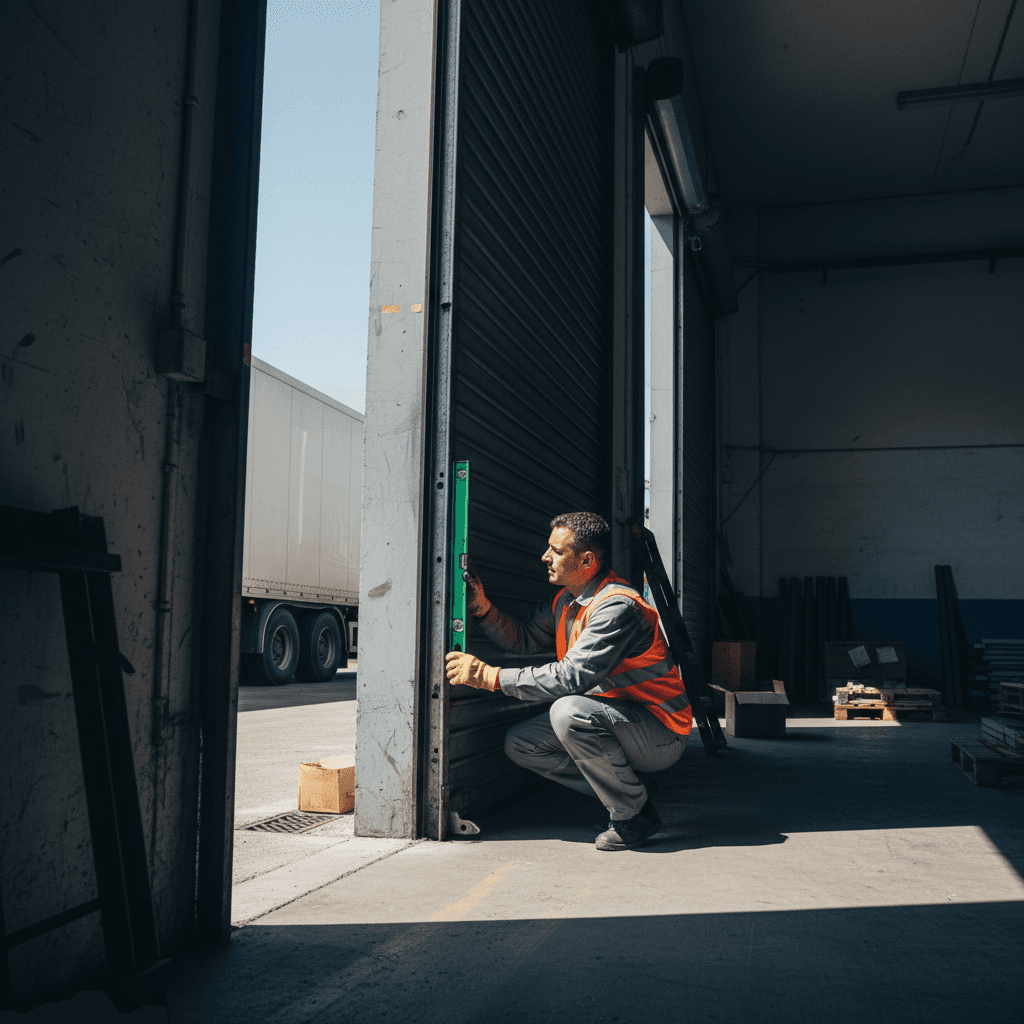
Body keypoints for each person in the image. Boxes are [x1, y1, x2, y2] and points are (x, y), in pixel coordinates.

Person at [444, 511, 692, 851]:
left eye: (557, 551)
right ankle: (632, 791)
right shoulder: (565, 601)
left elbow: (572, 677)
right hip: (620, 720)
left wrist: (487, 676)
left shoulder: (618, 607)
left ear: (587, 560)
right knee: (522, 743)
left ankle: (633, 817)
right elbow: (524, 639)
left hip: (661, 731)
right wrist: (482, 608)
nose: (545, 557)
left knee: (568, 711)